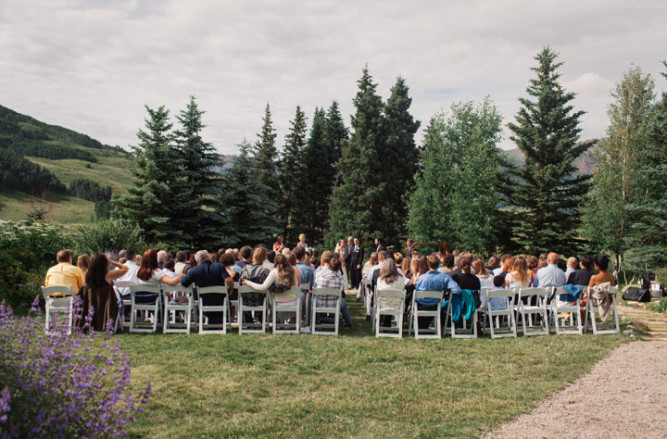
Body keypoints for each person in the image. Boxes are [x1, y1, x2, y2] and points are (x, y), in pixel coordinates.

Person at [180, 250, 234, 324]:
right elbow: (229, 280)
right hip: (220, 302)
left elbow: (184, 283)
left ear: (197, 261)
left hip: (203, 303)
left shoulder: (193, 271)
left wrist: (182, 276)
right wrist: (231, 289)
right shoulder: (219, 266)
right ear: (208, 257)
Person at [77, 253, 128, 332]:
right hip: (106, 305)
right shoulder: (108, 275)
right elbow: (125, 268)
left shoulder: (87, 276)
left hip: (91, 305)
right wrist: (112, 262)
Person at [243, 253, 300, 322]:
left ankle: (274, 320)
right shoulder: (293, 272)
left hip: (277, 302)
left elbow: (263, 287)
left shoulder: (274, 272)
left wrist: (248, 283)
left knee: (268, 294)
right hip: (293, 301)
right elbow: (296, 286)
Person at [414, 253, 461, 328]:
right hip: (435, 305)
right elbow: (457, 290)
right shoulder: (444, 277)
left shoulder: (421, 278)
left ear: (428, 265)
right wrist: (445, 290)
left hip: (421, 305)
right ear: (439, 264)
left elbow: (417, 292)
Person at [312, 252, 353, 328]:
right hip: (334, 303)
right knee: (342, 302)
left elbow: (314, 286)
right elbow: (341, 290)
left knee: (313, 298)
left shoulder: (319, 275)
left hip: (320, 302)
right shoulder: (339, 278)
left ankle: (316, 320)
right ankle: (348, 322)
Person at [376, 259, 405, 327]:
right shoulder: (401, 279)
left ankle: (384, 322)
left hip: (383, 305)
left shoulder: (380, 280)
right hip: (397, 305)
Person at [294, 246, 314, 327]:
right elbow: (312, 285)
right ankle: (302, 318)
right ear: (303, 256)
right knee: (306, 294)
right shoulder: (308, 269)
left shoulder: (290, 268)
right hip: (304, 296)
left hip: (291, 296)